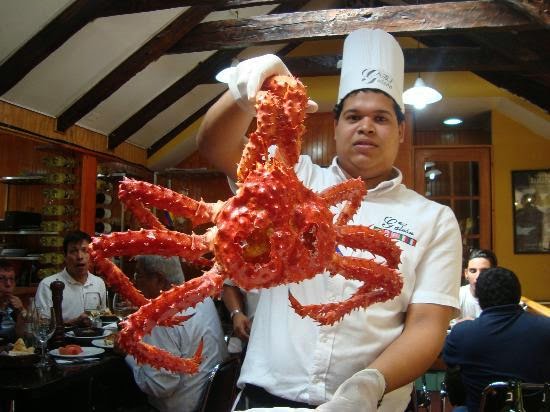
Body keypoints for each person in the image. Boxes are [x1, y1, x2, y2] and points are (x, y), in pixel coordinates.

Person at [196, 28, 462, 411]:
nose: (366, 126)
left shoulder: (433, 219)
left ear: (401, 131)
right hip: (267, 398)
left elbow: (427, 323)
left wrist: (371, 383)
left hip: (373, 405)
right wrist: (244, 91)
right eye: (353, 116)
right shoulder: (290, 178)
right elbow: (214, 145)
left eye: (381, 118)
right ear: (335, 127)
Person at [125, 255, 229, 412]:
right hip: (214, 400)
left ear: (159, 280)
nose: (134, 282)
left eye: (138, 275)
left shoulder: (160, 315)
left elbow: (161, 387)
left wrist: (128, 352)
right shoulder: (201, 296)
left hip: (184, 406)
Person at [443, 267, 550, 412]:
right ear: (518, 294)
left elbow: (453, 378)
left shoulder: (461, 333)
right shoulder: (546, 328)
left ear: (479, 298)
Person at [35, 230, 107, 325]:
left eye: (85, 250)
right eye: (73, 251)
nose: (80, 256)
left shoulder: (98, 283)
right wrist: (73, 323)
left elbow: (102, 318)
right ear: (65, 256)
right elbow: (42, 324)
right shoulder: (48, 285)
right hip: (62, 335)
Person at [455, 249, 498, 322]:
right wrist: (459, 325)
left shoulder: (502, 297)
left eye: (484, 271)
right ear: (466, 273)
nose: (478, 276)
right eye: (473, 271)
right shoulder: (458, 296)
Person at [0, 261, 24, 343]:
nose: (8, 284)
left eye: (11, 279)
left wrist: (21, 311)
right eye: (1, 279)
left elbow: (22, 339)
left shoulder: (14, 307)